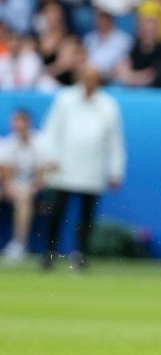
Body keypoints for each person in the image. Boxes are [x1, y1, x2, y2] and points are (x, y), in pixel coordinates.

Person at [41, 62, 126, 270]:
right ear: (79, 78)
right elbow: (51, 130)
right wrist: (50, 158)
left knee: (87, 217)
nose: (89, 81)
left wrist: (116, 170)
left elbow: (115, 140)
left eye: (93, 77)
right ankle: (50, 254)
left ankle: (81, 255)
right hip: (64, 166)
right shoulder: (65, 99)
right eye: (86, 77)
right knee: (57, 213)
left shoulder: (108, 104)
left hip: (92, 168)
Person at [0, 108, 51, 260]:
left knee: (24, 199)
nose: (18, 125)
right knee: (20, 195)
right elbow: (6, 175)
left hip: (35, 189)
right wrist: (11, 188)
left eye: (21, 121)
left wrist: (30, 188)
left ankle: (19, 244)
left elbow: (43, 173)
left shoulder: (40, 142)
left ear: (28, 123)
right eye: (15, 121)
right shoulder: (9, 143)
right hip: (12, 187)